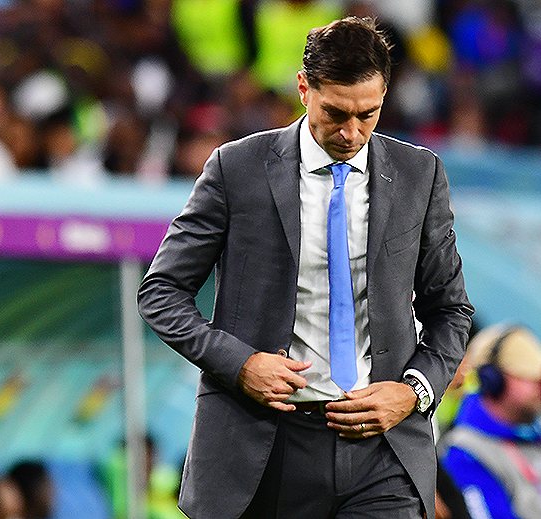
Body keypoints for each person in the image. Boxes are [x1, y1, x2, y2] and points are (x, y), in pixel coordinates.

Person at [137, 16, 474, 519]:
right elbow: (161, 291)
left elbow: (450, 309)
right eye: (335, 112)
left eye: (368, 114)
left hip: (383, 451)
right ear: (303, 88)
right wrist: (240, 364)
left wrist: (413, 391)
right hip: (267, 446)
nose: (351, 132)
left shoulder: (418, 173)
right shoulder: (237, 168)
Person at [440, 325, 541, 519]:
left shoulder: (531, 436)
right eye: (527, 376)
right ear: (493, 380)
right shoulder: (464, 453)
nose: (539, 385)